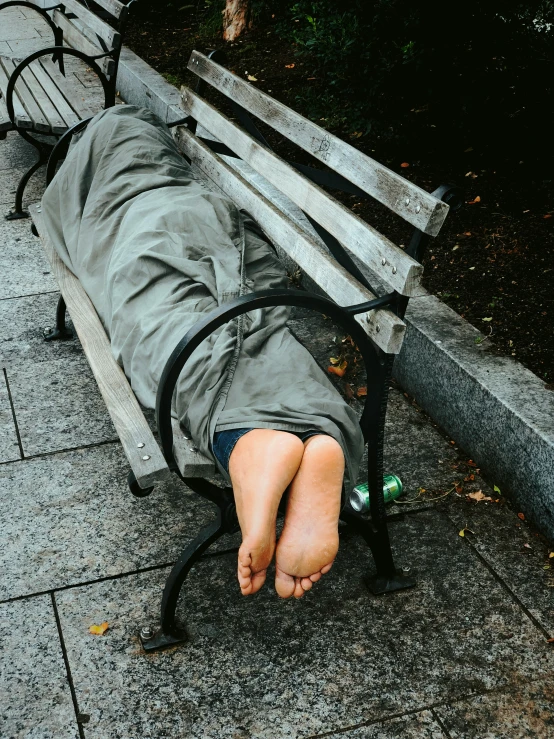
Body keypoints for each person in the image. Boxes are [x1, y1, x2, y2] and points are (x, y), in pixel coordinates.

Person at [42, 105, 364, 599]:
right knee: (249, 323)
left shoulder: (97, 150)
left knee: (158, 318)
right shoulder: (144, 135)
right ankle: (293, 436)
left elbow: (69, 210)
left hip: (135, 222)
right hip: (195, 210)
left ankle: (245, 445)